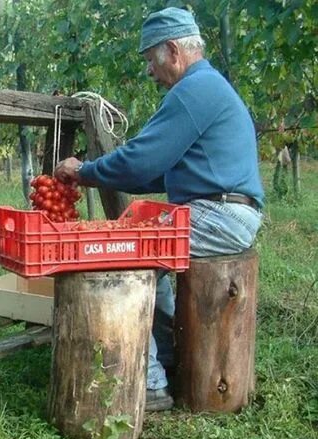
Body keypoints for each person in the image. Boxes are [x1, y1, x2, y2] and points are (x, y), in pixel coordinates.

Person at [53, 7, 264, 411]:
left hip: (220, 216)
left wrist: (84, 170)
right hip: (224, 211)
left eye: (151, 59)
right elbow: (155, 175)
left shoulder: (194, 90)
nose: (150, 70)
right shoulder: (206, 87)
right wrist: (97, 174)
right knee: (151, 261)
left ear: (173, 50)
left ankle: (149, 383)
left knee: (126, 257)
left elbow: (143, 161)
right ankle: (166, 361)